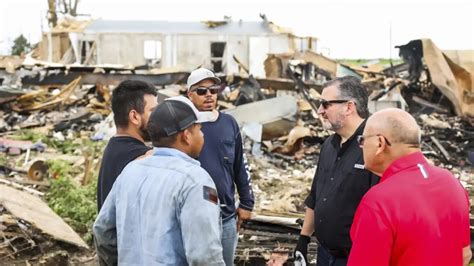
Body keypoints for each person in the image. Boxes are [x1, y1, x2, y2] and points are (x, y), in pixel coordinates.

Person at [93, 96, 225, 265]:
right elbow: (205, 256)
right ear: (186, 136)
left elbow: (102, 231)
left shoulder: (130, 170)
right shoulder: (195, 181)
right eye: (199, 129)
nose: (202, 135)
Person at [348, 108, 471, 266]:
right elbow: (464, 255)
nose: (361, 146)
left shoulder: (380, 200)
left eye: (362, 140)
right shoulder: (452, 183)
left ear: (380, 143)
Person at [294, 76, 379, 266]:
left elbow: (381, 212)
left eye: (325, 104)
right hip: (325, 255)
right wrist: (304, 239)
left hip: (355, 257)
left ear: (349, 107)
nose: (319, 110)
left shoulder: (374, 146)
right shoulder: (329, 145)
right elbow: (316, 196)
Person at [187, 68, 254, 265]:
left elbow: (240, 164)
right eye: (201, 91)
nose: (208, 95)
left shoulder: (228, 123)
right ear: (189, 94)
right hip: (194, 216)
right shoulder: (184, 125)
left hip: (225, 216)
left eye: (213, 90)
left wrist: (246, 202)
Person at [96, 80, 158, 211]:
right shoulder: (143, 158)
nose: (159, 117)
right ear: (134, 117)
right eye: (153, 111)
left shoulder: (113, 148)